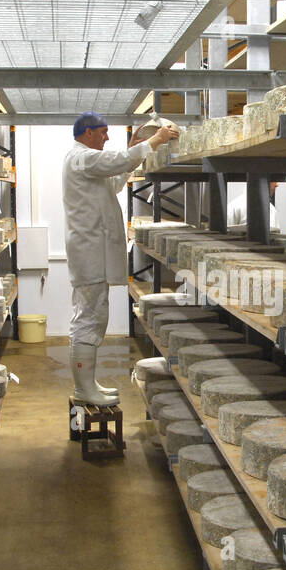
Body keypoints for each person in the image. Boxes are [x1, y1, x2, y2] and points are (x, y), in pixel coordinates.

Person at [63, 112, 178, 405]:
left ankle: (88, 384)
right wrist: (154, 140)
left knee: (93, 316)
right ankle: (83, 389)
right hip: (89, 253)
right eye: (102, 132)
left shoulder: (88, 162)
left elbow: (114, 181)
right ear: (87, 133)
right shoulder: (82, 157)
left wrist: (136, 148)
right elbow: (118, 161)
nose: (106, 137)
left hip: (93, 252)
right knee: (88, 317)